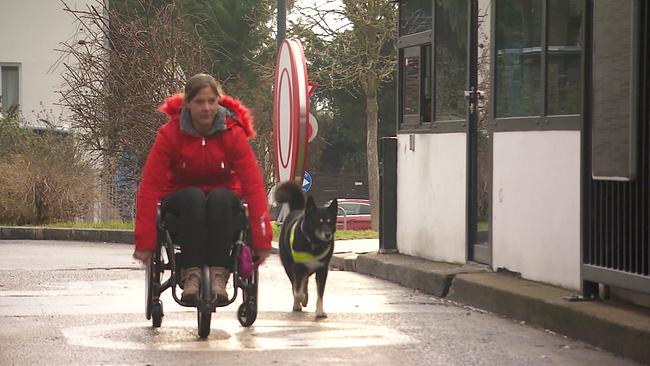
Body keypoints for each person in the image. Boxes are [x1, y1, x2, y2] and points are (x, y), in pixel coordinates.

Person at [132, 73, 272, 303]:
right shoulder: (170, 134)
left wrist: (262, 240)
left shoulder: (233, 133)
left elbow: (254, 184)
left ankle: (219, 274)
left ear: (219, 101)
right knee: (194, 197)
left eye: (211, 101)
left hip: (223, 202)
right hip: (181, 201)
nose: (206, 108)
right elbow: (150, 185)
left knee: (220, 197)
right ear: (187, 103)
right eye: (199, 102)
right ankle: (191, 274)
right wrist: (145, 241)